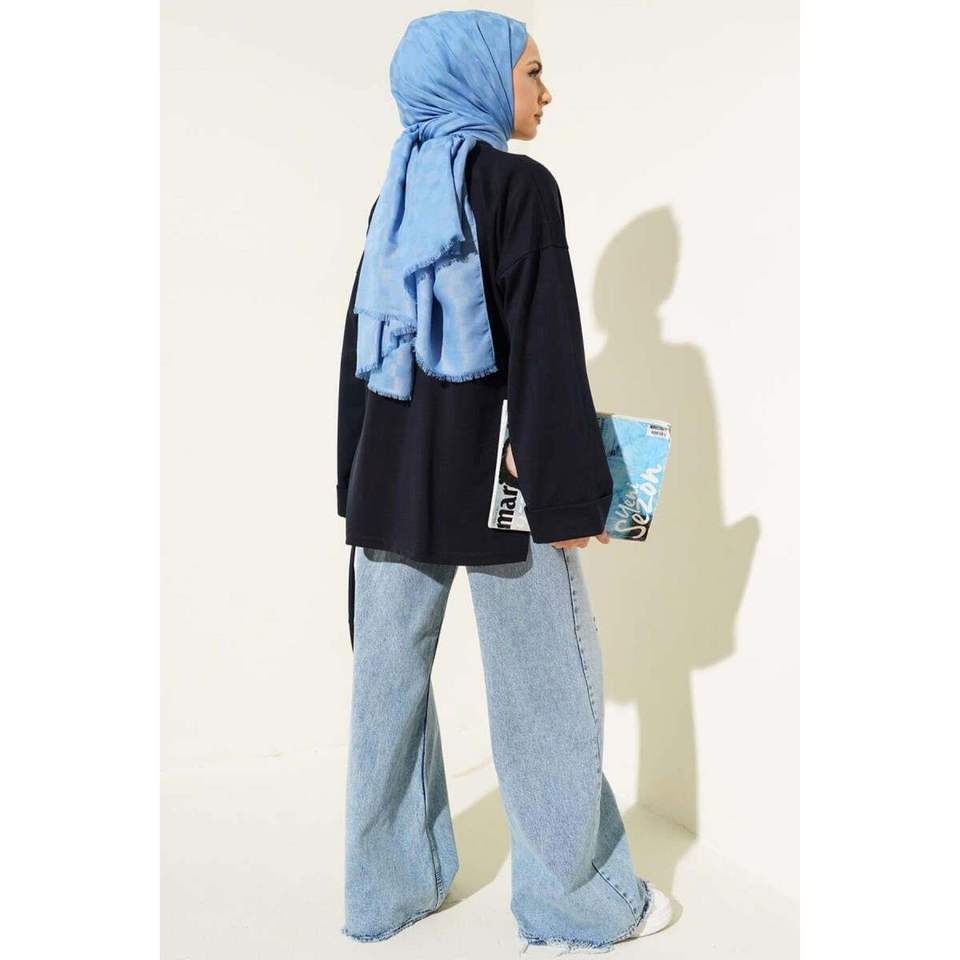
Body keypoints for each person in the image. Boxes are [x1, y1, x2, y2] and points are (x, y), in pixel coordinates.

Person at [336, 10, 675, 952]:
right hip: (499, 490)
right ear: (480, 79)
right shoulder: (520, 186)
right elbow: (545, 353)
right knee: (545, 698)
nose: (545, 91)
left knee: (384, 701)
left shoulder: (396, 192)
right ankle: (576, 908)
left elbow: (358, 353)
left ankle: (385, 894)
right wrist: (572, 499)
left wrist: (350, 482)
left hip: (388, 490)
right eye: (532, 71)